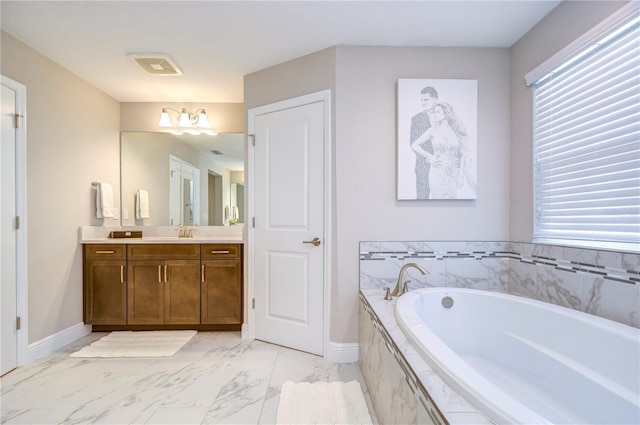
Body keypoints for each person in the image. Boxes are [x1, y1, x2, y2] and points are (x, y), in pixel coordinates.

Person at [411, 102, 476, 199]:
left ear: (446, 113)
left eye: (438, 112)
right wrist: (430, 156)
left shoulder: (456, 131)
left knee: (453, 202)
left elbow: (462, 154)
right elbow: (415, 145)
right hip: (437, 173)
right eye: (434, 112)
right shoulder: (432, 131)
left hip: (453, 174)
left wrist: (461, 175)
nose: (435, 115)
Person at [410, 86, 438, 199]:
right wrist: (429, 156)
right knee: (421, 199)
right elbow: (412, 144)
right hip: (422, 166)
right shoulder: (416, 119)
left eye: (426, 100)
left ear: (435, 99)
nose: (423, 103)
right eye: (422, 100)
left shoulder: (444, 116)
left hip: (442, 165)